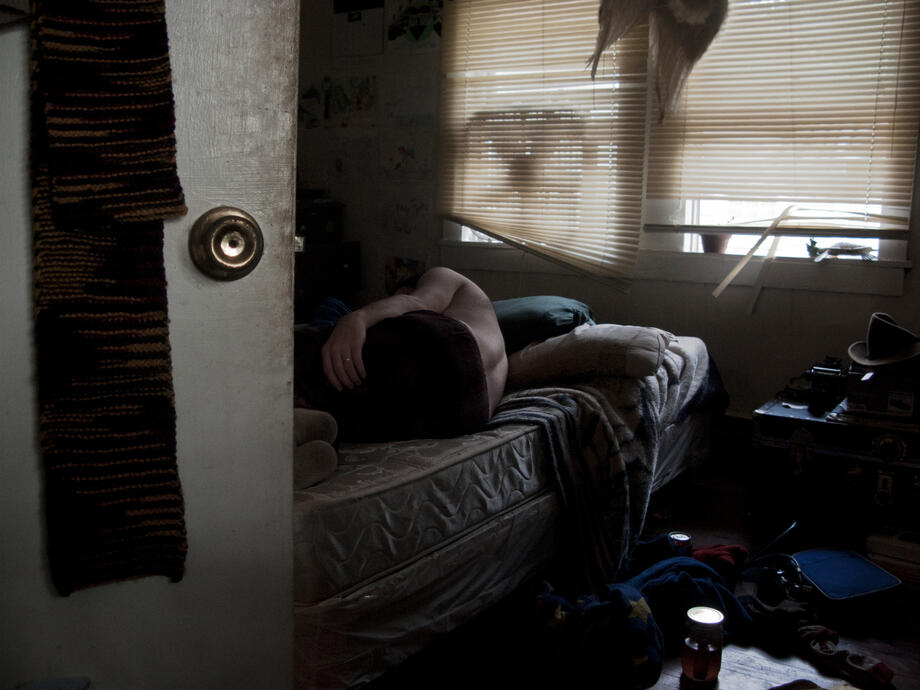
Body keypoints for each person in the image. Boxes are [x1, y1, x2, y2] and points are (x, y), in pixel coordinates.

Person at [294, 267, 508, 442]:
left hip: (454, 343)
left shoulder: (443, 275)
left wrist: (358, 317)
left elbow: (418, 303)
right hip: (468, 416)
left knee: (298, 352)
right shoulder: (494, 343)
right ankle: (303, 424)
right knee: (356, 410)